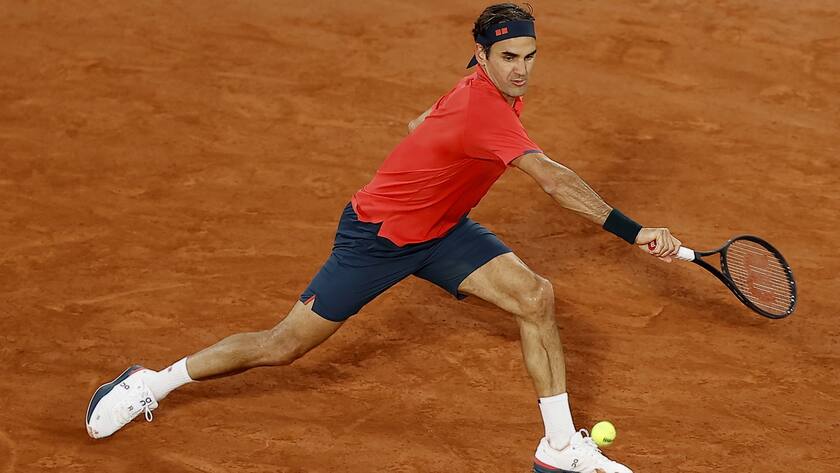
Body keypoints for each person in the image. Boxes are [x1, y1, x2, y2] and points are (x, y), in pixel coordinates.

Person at [85, 3, 681, 472]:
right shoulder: (487, 111)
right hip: (377, 239)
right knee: (283, 345)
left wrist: (434, 148)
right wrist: (634, 232)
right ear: (482, 55)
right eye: (508, 57)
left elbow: (419, 122)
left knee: (535, 296)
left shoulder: (483, 91)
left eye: (529, 55)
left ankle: (557, 448)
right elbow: (552, 180)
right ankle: (152, 383)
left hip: (443, 232)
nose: (521, 69)